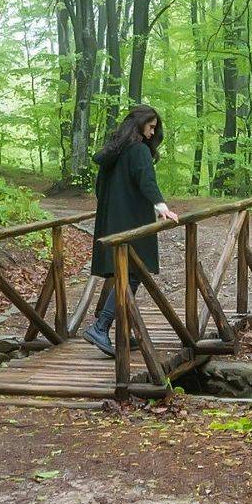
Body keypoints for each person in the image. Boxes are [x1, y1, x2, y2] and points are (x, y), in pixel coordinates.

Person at [83, 105, 178, 357]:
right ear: (139, 124)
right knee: (132, 274)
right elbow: (146, 179)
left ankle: (122, 333)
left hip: (111, 223)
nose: (152, 132)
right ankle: (100, 327)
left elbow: (99, 188)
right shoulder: (138, 151)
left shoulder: (114, 152)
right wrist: (162, 207)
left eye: (155, 128)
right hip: (132, 224)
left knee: (126, 275)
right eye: (151, 127)